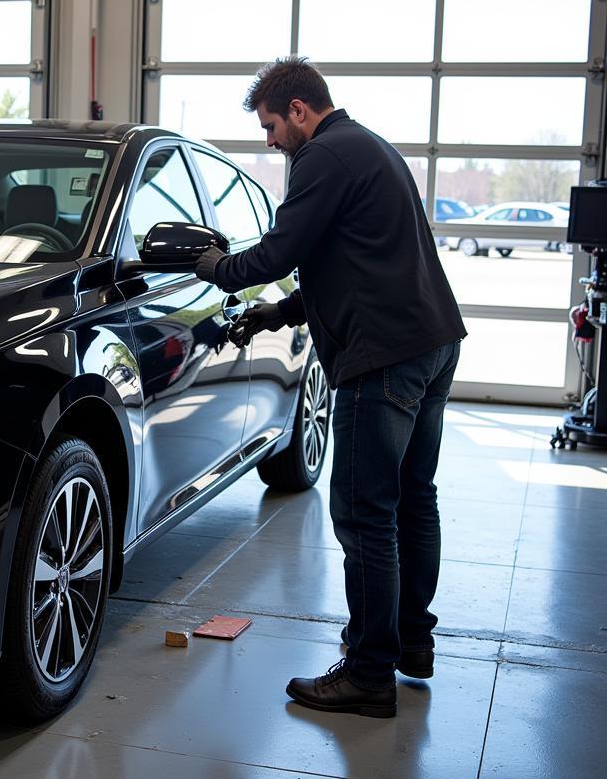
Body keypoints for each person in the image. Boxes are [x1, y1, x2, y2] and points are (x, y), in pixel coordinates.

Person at [195, 56, 466, 718]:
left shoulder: (322, 157)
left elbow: (279, 253)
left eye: (270, 126)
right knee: (411, 500)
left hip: (383, 358)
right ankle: (409, 645)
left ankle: (368, 675)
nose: (269, 142)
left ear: (298, 109)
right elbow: (343, 259)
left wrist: (212, 265)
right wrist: (278, 313)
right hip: (431, 342)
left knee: (362, 514)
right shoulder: (369, 147)